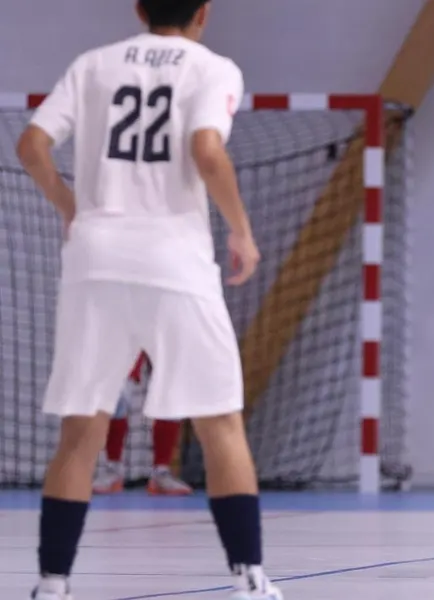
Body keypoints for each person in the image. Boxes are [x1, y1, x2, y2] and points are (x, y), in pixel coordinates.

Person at [16, 1, 282, 598]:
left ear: (138, 8)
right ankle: (249, 578)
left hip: (95, 258)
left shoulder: (93, 65)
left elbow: (31, 146)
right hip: (174, 261)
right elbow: (208, 151)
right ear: (204, 12)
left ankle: (52, 583)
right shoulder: (212, 68)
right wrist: (240, 231)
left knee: (81, 428)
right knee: (220, 422)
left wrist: (70, 206)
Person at [92, 352, 194, 496]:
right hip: (129, 332)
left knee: (171, 389)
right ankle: (113, 470)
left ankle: (161, 472)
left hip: (165, 331)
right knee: (116, 392)